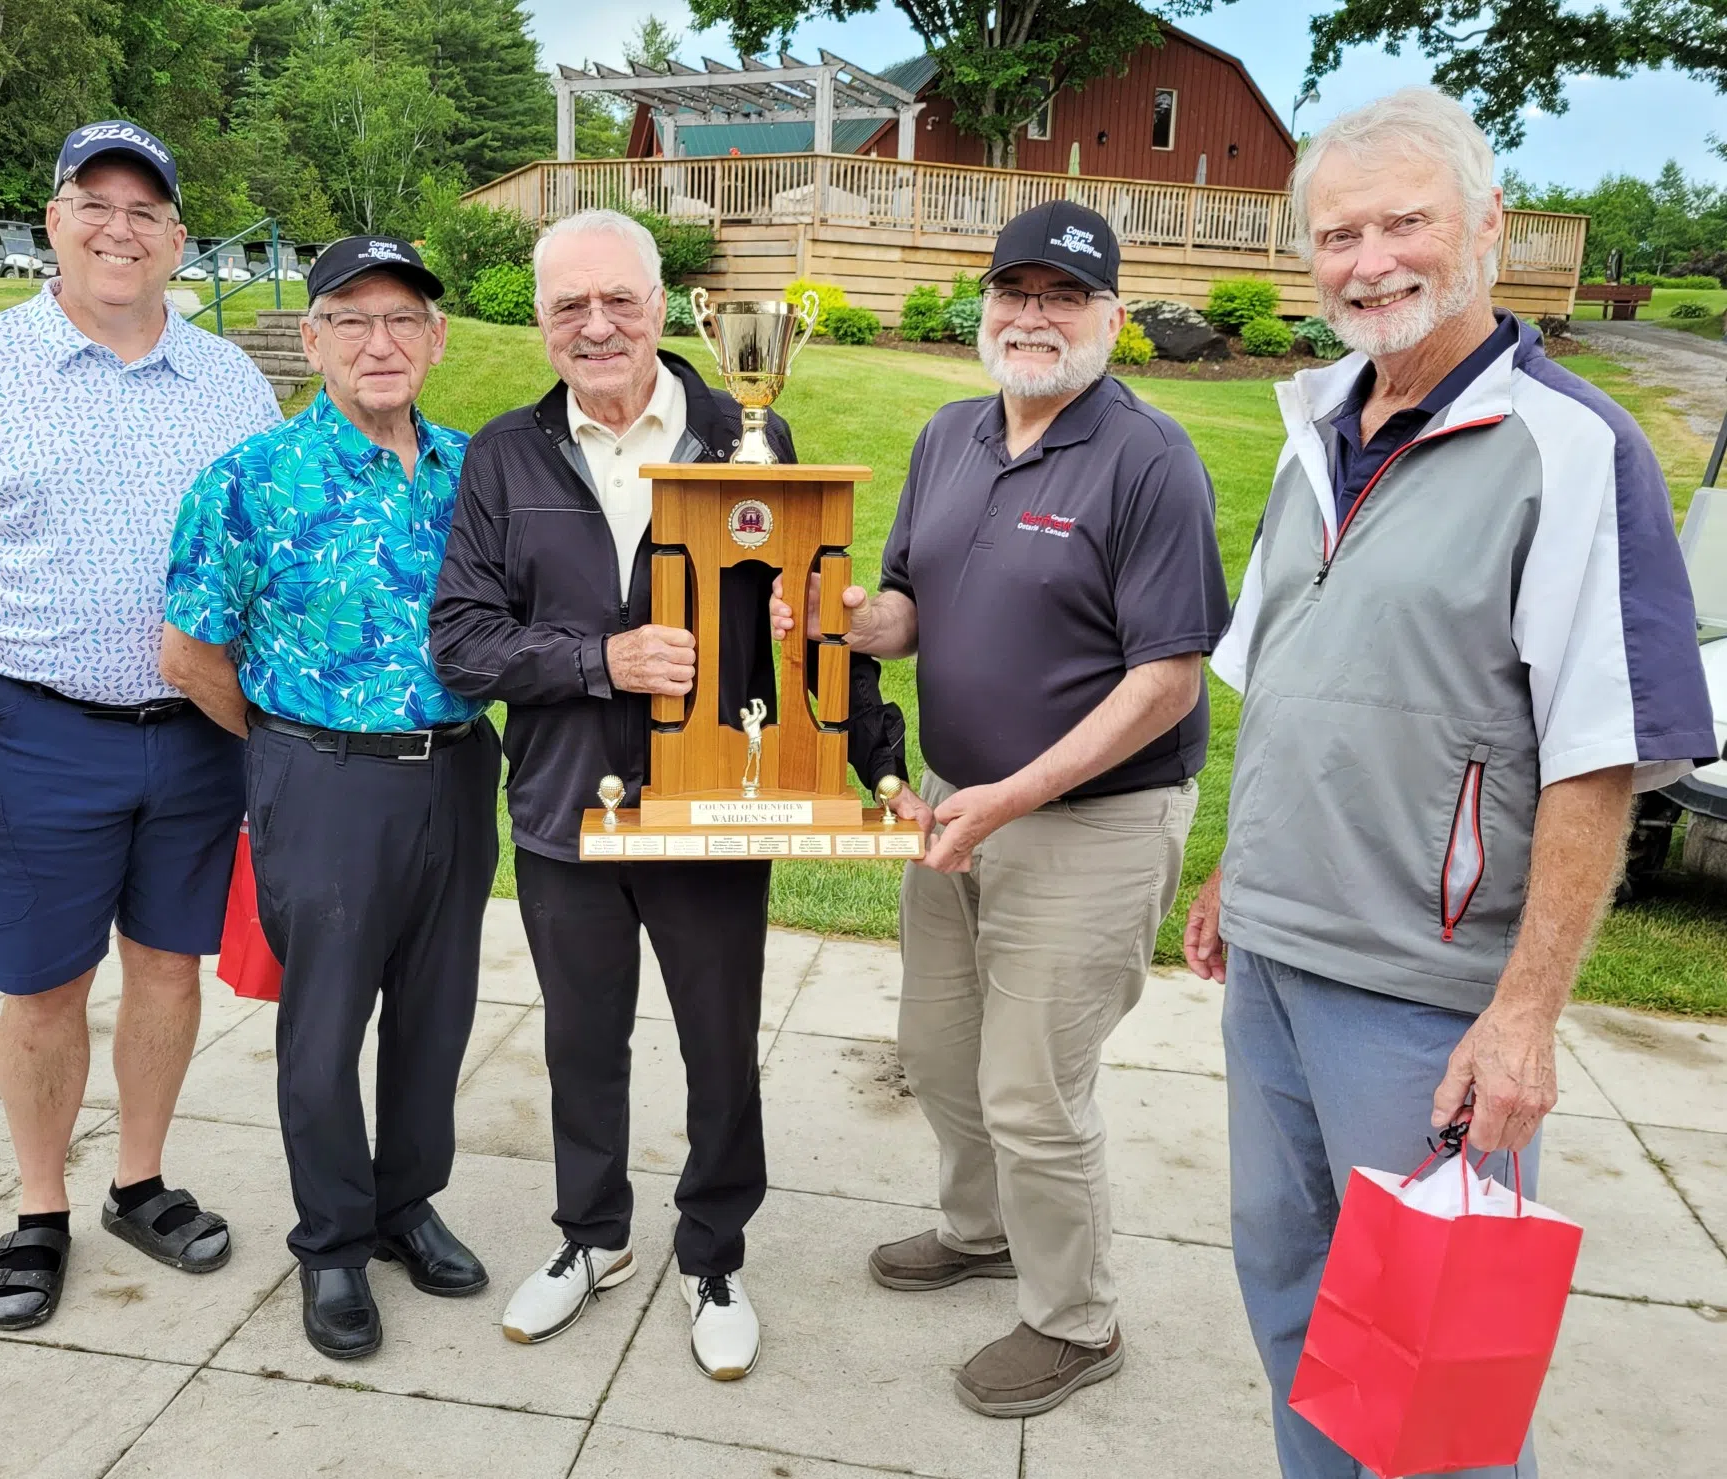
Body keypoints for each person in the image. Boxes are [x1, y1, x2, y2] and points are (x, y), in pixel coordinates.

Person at [1181, 88, 1718, 1479]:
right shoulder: (1318, 431)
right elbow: (1293, 681)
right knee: (1291, 1299)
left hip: (1428, 1002)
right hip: (1277, 965)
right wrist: (1239, 866)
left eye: (1404, 220)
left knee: (1434, 1393)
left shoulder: (1568, 448)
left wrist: (1528, 1012)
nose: (1371, 259)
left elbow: (1602, 752)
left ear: (1486, 226)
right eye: (1339, 232)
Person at [430, 209, 906, 1382]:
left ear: (665, 307)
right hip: (564, 813)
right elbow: (462, 643)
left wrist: (877, 756)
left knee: (718, 1046)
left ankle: (715, 1252)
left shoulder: (751, 431)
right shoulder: (503, 454)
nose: (595, 326)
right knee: (582, 1043)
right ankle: (592, 1240)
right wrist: (605, 659)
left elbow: (814, 614)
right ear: (542, 323)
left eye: (618, 301)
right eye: (567, 307)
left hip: (716, 805)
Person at [772, 200, 1230, 1416]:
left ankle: (1077, 1318)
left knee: (1035, 1087)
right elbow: (909, 611)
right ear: (986, 308)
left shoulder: (1150, 460)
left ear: (1111, 320)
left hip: (1090, 822)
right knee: (940, 1050)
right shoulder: (950, 436)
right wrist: (841, 620)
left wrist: (1012, 796)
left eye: (1064, 297)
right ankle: (978, 1232)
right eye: (1015, 293)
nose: (1035, 317)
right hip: (952, 804)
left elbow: (1168, 677)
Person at [0, 120, 279, 1331]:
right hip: (36, 730)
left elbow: (272, 554)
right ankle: (40, 1207)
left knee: (167, 967)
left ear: (178, 239)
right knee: (43, 984)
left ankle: (138, 1181)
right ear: (52, 220)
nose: (119, 228)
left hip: (199, 728)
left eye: (146, 211)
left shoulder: (226, 380)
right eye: (95, 202)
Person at [162, 238, 500, 1362]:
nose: (380, 342)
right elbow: (189, 655)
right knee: (325, 1028)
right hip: (323, 777)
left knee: (436, 1014)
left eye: (403, 319)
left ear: (437, 340)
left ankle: (405, 1207)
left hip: (459, 771)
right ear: (311, 340)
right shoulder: (250, 477)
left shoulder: (474, 471)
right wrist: (290, 754)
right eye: (351, 320)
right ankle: (335, 1244)